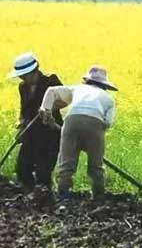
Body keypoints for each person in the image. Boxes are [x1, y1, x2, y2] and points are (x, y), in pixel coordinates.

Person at [39, 66, 117, 202]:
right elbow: (108, 122)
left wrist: (46, 109)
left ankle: (62, 196)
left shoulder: (78, 89)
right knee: (96, 165)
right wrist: (94, 139)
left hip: (71, 121)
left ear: (87, 81)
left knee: (66, 163)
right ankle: (98, 196)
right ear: (104, 85)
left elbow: (51, 91)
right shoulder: (108, 99)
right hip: (95, 122)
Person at [8, 52, 63, 193]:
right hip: (30, 133)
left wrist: (47, 108)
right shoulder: (23, 87)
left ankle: (44, 198)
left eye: (24, 75)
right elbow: (24, 110)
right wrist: (21, 125)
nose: (22, 78)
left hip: (50, 131)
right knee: (22, 168)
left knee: (43, 171)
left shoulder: (51, 82)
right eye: (20, 76)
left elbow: (63, 101)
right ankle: (28, 198)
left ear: (34, 71)